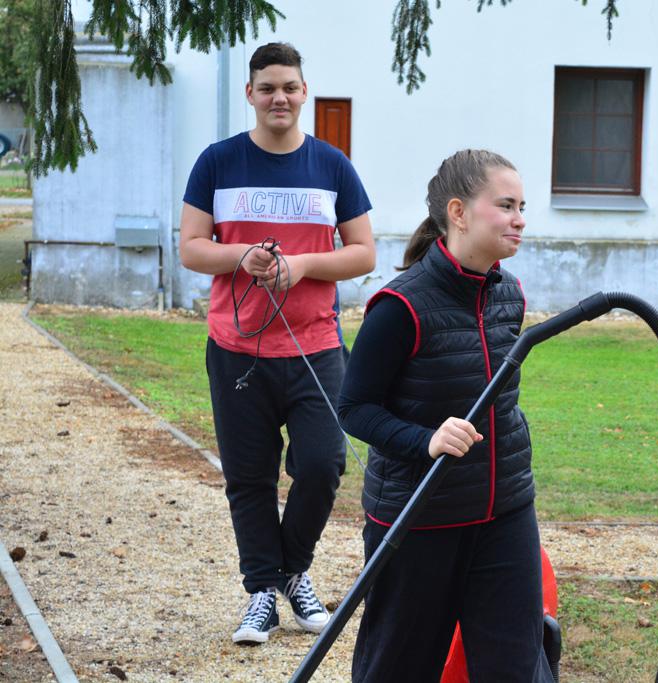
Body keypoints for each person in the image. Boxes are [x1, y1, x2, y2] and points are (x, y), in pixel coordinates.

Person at [178, 42, 375, 645]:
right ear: (250, 94)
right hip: (236, 349)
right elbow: (191, 247)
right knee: (249, 477)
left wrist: (305, 265)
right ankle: (262, 591)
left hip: (316, 347)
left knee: (323, 463)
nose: (279, 98)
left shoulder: (332, 165)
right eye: (267, 88)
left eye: (289, 87)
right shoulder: (217, 161)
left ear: (304, 92)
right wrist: (242, 255)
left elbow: (364, 254)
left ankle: (291, 570)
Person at [339, 149, 553, 682]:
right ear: (458, 212)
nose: (520, 219)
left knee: (515, 669)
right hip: (418, 518)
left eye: (522, 207)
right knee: (398, 669)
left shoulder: (509, 295)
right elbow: (354, 409)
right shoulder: (400, 307)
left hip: (505, 513)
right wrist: (426, 440)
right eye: (506, 205)